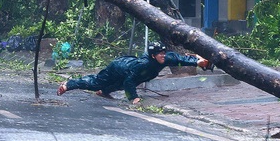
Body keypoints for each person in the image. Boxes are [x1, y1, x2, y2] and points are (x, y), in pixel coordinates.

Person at [57, 41, 212, 104]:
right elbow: (129, 82)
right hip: (118, 67)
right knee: (95, 82)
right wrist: (134, 98)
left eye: (164, 53)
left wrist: (198, 62)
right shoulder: (143, 64)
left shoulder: (165, 58)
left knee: (118, 85)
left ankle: (103, 92)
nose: (163, 56)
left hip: (129, 72)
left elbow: (179, 58)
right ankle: (69, 84)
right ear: (153, 56)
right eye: (160, 54)